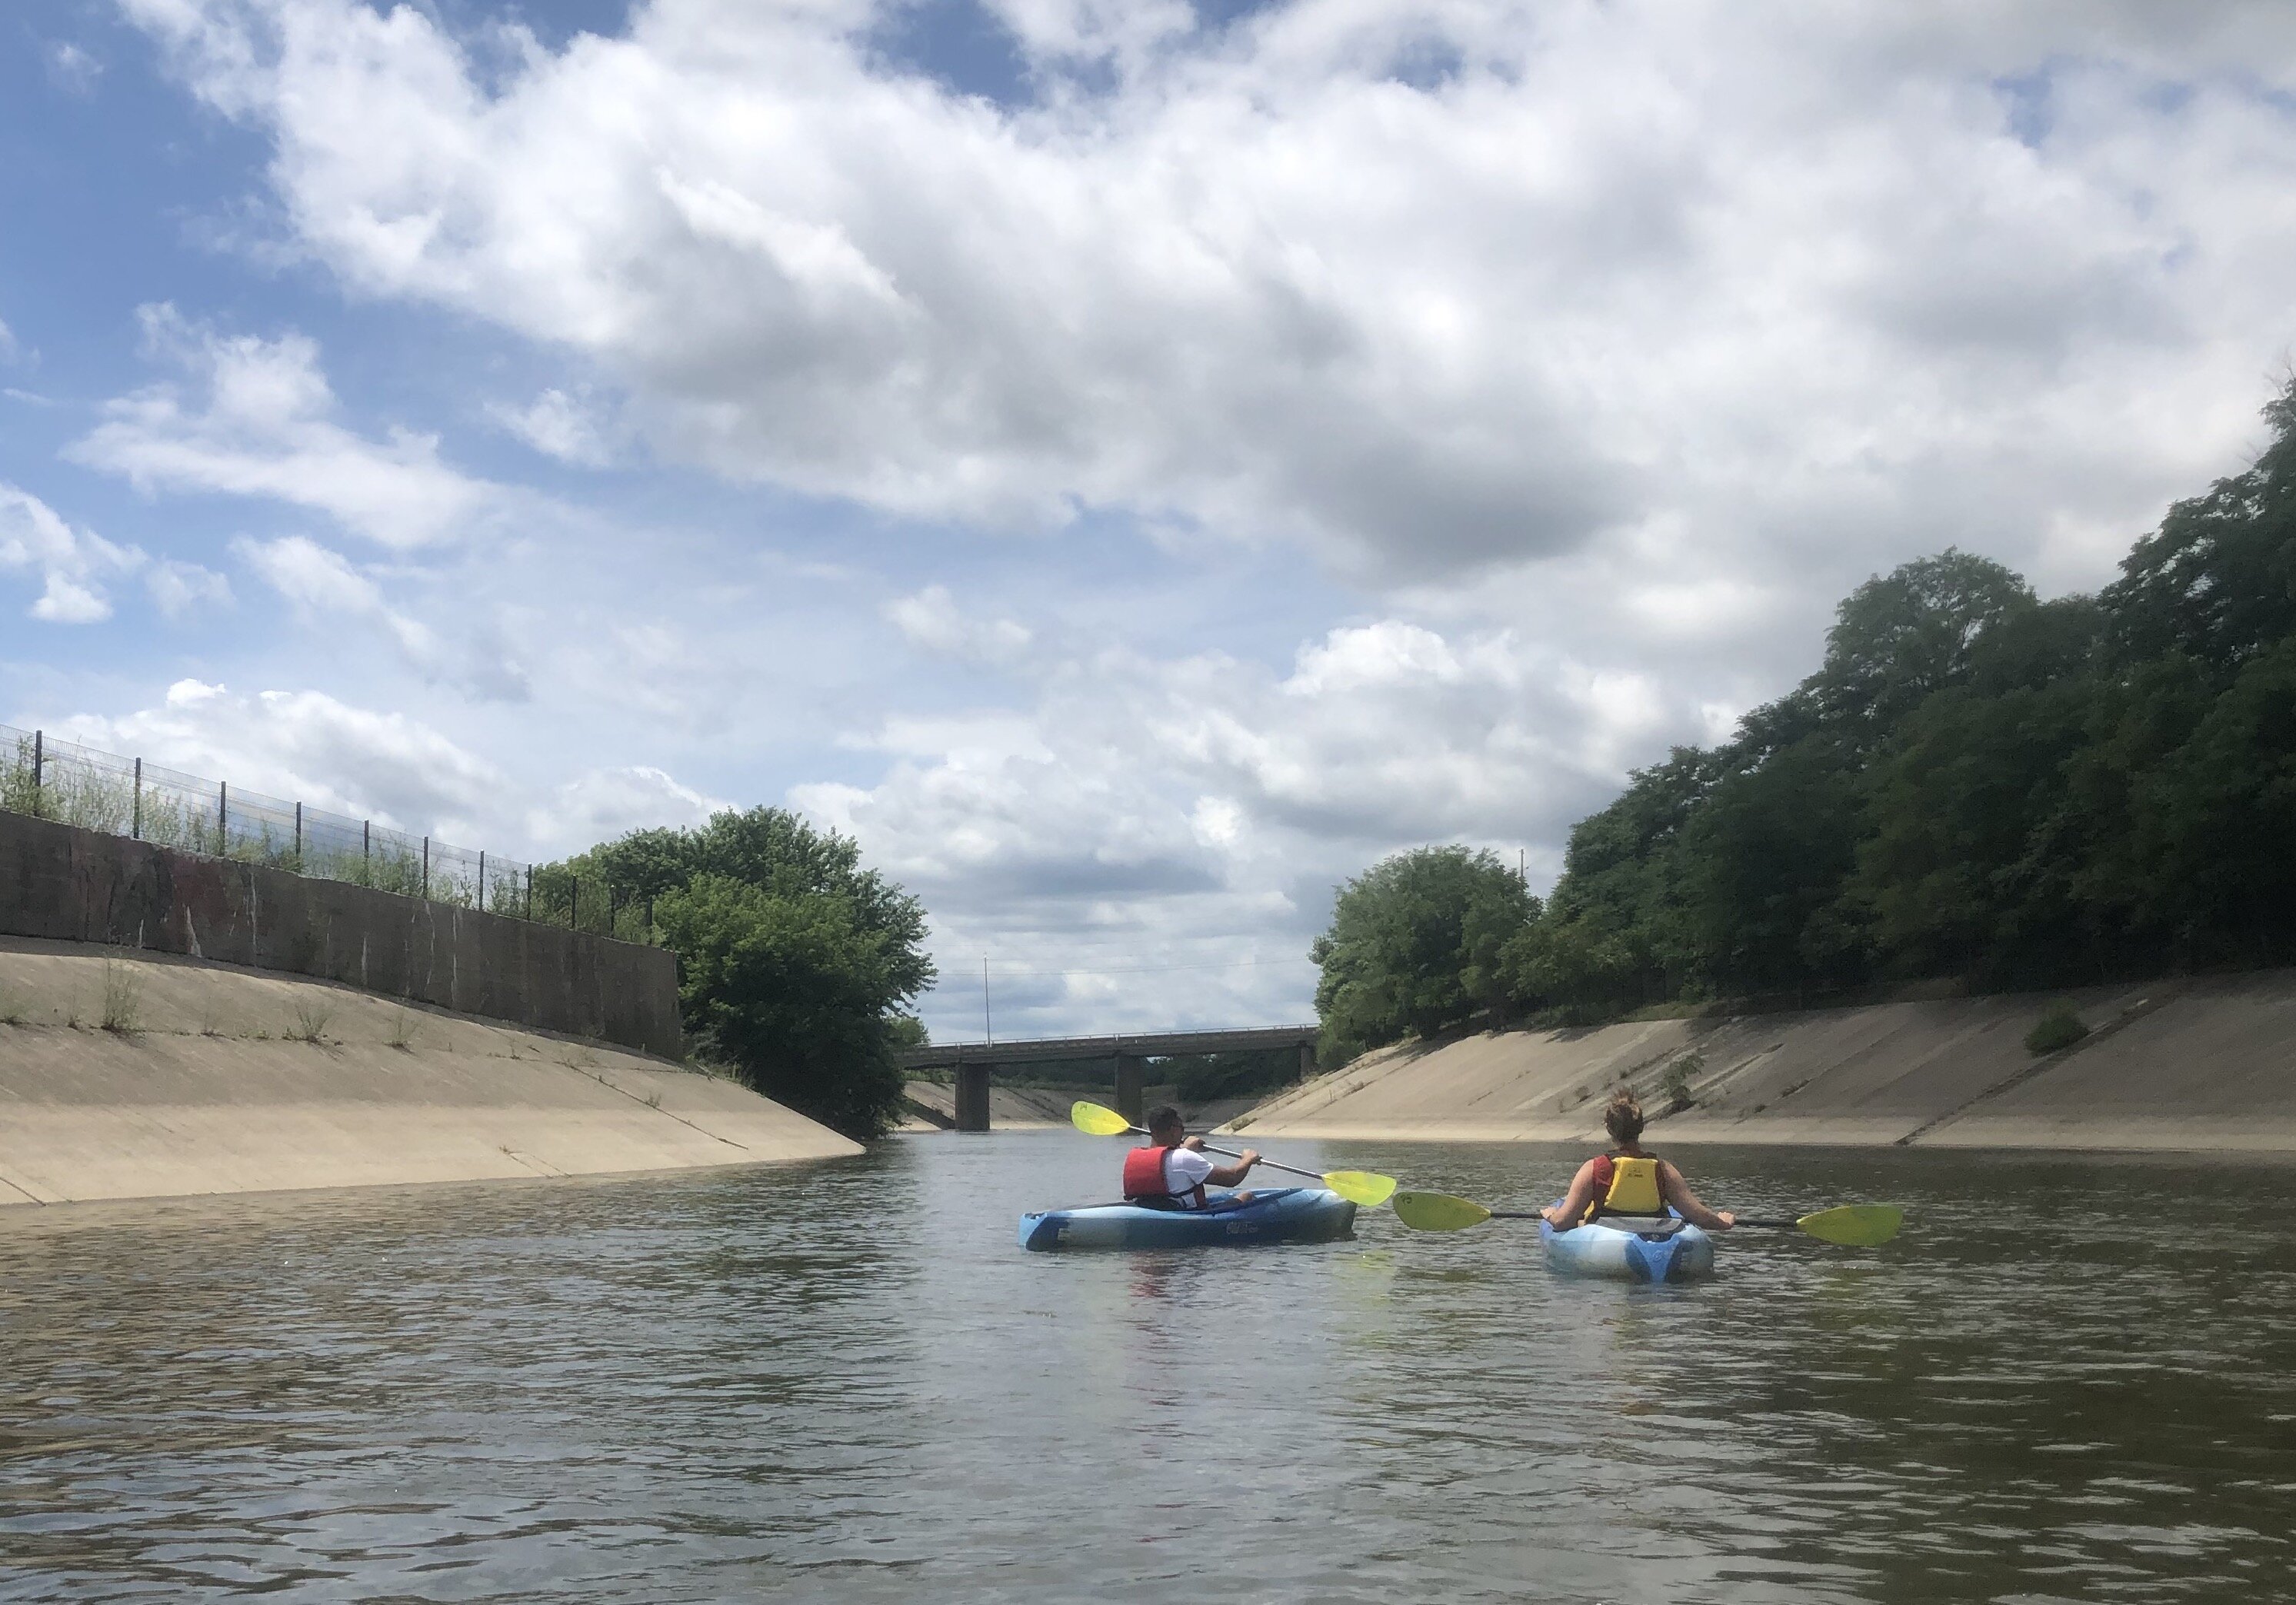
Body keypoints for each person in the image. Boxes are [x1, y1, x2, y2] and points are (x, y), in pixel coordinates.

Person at [1540, 1090, 1735, 1232]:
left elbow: (1563, 1222)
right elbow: (1698, 1215)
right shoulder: (1663, 1169)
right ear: (1641, 1129)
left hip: (1606, 1238)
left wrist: (1550, 1214)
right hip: (1655, 1232)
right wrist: (1723, 1222)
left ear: (1609, 1129)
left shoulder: (1595, 1168)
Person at [1122, 1106, 1261, 1210]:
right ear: (1173, 1129)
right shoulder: (1185, 1157)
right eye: (1181, 1128)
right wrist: (1247, 1159)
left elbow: (1171, 1161)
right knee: (1246, 1196)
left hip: (1148, 1212)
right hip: (1187, 1215)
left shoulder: (1140, 1157)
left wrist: (1185, 1149)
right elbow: (1232, 1178)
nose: (1182, 1132)